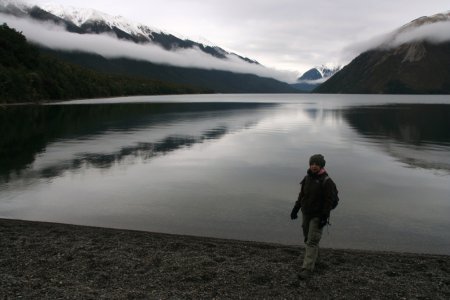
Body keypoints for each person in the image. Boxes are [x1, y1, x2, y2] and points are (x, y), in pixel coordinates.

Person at [290, 154, 334, 280]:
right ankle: (316, 259)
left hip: (318, 215)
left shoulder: (327, 181)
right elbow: (302, 195)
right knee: (307, 238)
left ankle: (307, 269)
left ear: (321, 165)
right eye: (312, 163)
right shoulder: (307, 178)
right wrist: (296, 208)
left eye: (316, 164)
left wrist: (324, 217)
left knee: (312, 241)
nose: (314, 166)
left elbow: (329, 201)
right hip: (306, 213)